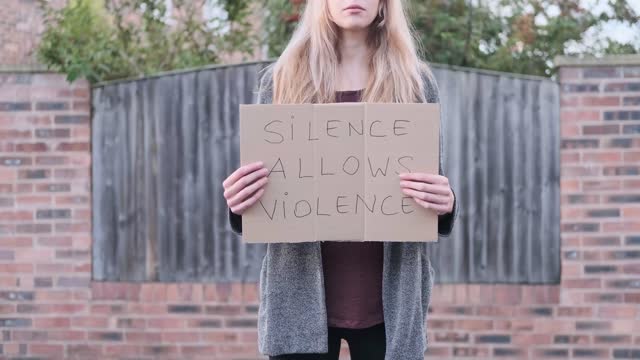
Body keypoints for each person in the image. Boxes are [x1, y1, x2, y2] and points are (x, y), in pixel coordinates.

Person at [222, 1, 458, 359]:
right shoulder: (282, 80)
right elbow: (264, 199)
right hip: (298, 303)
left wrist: (446, 203)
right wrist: (240, 203)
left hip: (390, 309)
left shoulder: (416, 82)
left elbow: (432, 190)